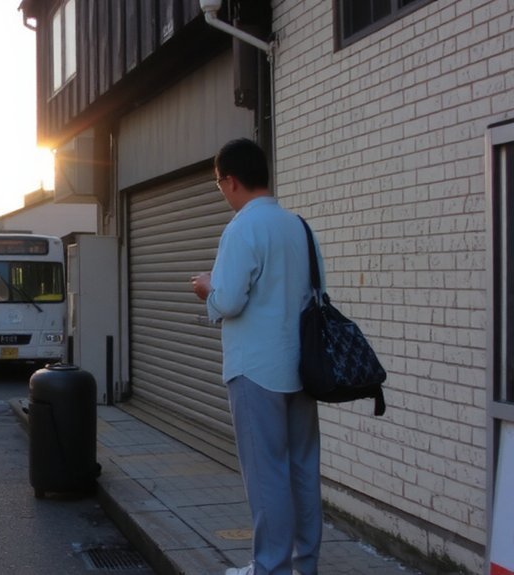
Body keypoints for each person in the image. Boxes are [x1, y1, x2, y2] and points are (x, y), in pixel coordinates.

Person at [191, 138, 323, 575]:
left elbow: (229, 301)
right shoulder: (299, 227)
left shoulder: (242, 227)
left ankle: (269, 568)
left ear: (229, 181)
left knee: (266, 476)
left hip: (256, 370)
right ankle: (305, 565)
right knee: (302, 471)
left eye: (218, 185)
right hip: (303, 368)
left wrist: (207, 288)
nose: (221, 192)